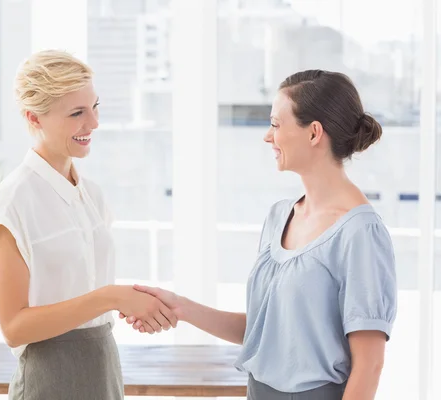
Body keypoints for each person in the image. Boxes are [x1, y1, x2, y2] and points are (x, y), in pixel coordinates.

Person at [123, 70, 397, 400]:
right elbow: (262, 332)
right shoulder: (279, 216)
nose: (268, 137)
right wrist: (180, 308)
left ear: (313, 133)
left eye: (276, 125)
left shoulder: (360, 233)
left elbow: (369, 366)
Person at [0, 50, 177, 400]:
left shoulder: (92, 195)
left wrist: (132, 303)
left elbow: (91, 296)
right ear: (35, 118)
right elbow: (14, 328)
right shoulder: (15, 198)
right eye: (77, 113)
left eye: (95, 107)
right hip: (49, 379)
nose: (93, 124)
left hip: (103, 369)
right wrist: (109, 296)